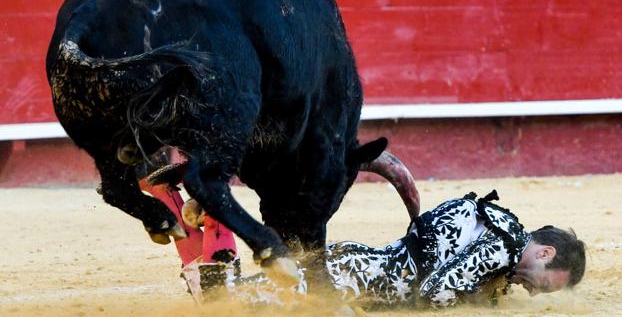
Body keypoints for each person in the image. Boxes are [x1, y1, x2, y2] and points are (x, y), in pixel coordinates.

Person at [180, 190, 586, 309]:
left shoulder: (499, 225)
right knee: (223, 304)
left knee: (226, 301)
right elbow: (434, 292)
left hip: (356, 268)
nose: (534, 292)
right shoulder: (503, 245)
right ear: (546, 253)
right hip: (354, 280)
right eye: (544, 286)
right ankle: (210, 209)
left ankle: (204, 217)